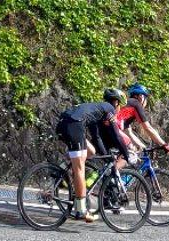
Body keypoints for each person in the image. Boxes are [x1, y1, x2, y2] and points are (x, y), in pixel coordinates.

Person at [55, 88, 132, 222]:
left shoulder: (96, 109)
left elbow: (96, 138)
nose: (119, 110)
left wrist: (106, 156)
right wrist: (127, 156)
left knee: (90, 151)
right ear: (115, 102)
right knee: (79, 167)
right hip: (74, 125)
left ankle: (62, 168)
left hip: (63, 123)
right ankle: (81, 210)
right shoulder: (109, 109)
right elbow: (116, 135)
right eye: (120, 105)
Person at [115, 83, 169, 153]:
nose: (146, 102)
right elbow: (148, 128)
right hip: (112, 129)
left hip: (108, 128)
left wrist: (145, 148)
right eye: (146, 99)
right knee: (130, 154)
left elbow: (129, 134)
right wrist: (163, 144)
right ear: (141, 97)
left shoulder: (128, 107)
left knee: (124, 152)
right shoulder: (136, 104)